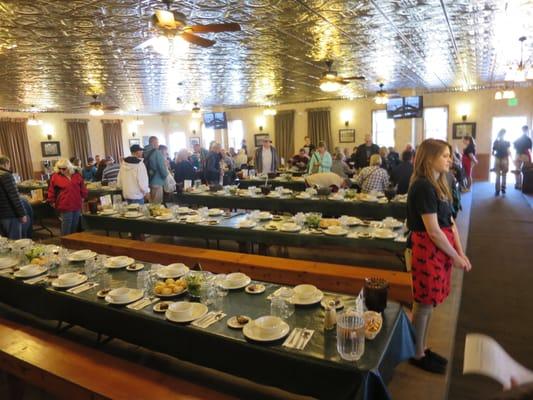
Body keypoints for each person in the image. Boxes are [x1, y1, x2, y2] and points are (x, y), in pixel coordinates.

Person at [407, 139, 471, 374]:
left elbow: (450, 222)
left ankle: (421, 347)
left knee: (429, 302)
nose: (450, 159)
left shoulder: (438, 182)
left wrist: (460, 253)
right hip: (428, 248)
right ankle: (417, 353)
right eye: (444, 155)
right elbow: (432, 230)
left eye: (449, 155)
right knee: (424, 303)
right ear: (429, 158)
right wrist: (455, 255)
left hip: (439, 248)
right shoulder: (423, 185)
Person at [47, 158, 88, 236]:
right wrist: (51, 201)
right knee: (66, 229)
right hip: (64, 204)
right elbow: (51, 190)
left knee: (74, 227)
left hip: (76, 204)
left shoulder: (76, 175)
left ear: (69, 167)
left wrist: (83, 196)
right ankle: (64, 245)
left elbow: (82, 187)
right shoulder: (55, 176)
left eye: (64, 169)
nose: (61, 170)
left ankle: (71, 244)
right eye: (59, 168)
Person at [0, 156, 28, 239]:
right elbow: (14, 196)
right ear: (6, 164)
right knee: (15, 242)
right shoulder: (6, 175)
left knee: (5, 242)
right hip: (9, 213)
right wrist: (22, 214)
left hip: (1, 214)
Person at [143, 136, 169, 204]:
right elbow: (161, 167)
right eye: (157, 142)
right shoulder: (156, 152)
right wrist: (166, 175)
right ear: (154, 143)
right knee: (157, 204)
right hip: (157, 181)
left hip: (148, 180)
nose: (158, 145)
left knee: (151, 203)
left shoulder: (144, 152)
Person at [513, 125, 532, 189]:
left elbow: (514, 147)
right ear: (527, 130)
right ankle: (524, 185)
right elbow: (530, 149)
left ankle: (517, 184)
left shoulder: (518, 139)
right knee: (526, 170)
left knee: (517, 169)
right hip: (525, 155)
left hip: (518, 155)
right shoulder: (528, 139)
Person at [492, 129, 511, 196]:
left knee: (497, 175)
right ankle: (503, 188)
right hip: (504, 159)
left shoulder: (495, 142)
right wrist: (510, 160)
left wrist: (496, 156)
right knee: (504, 174)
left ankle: (497, 190)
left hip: (497, 158)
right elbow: (508, 152)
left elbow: (493, 153)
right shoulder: (507, 142)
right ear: (504, 134)